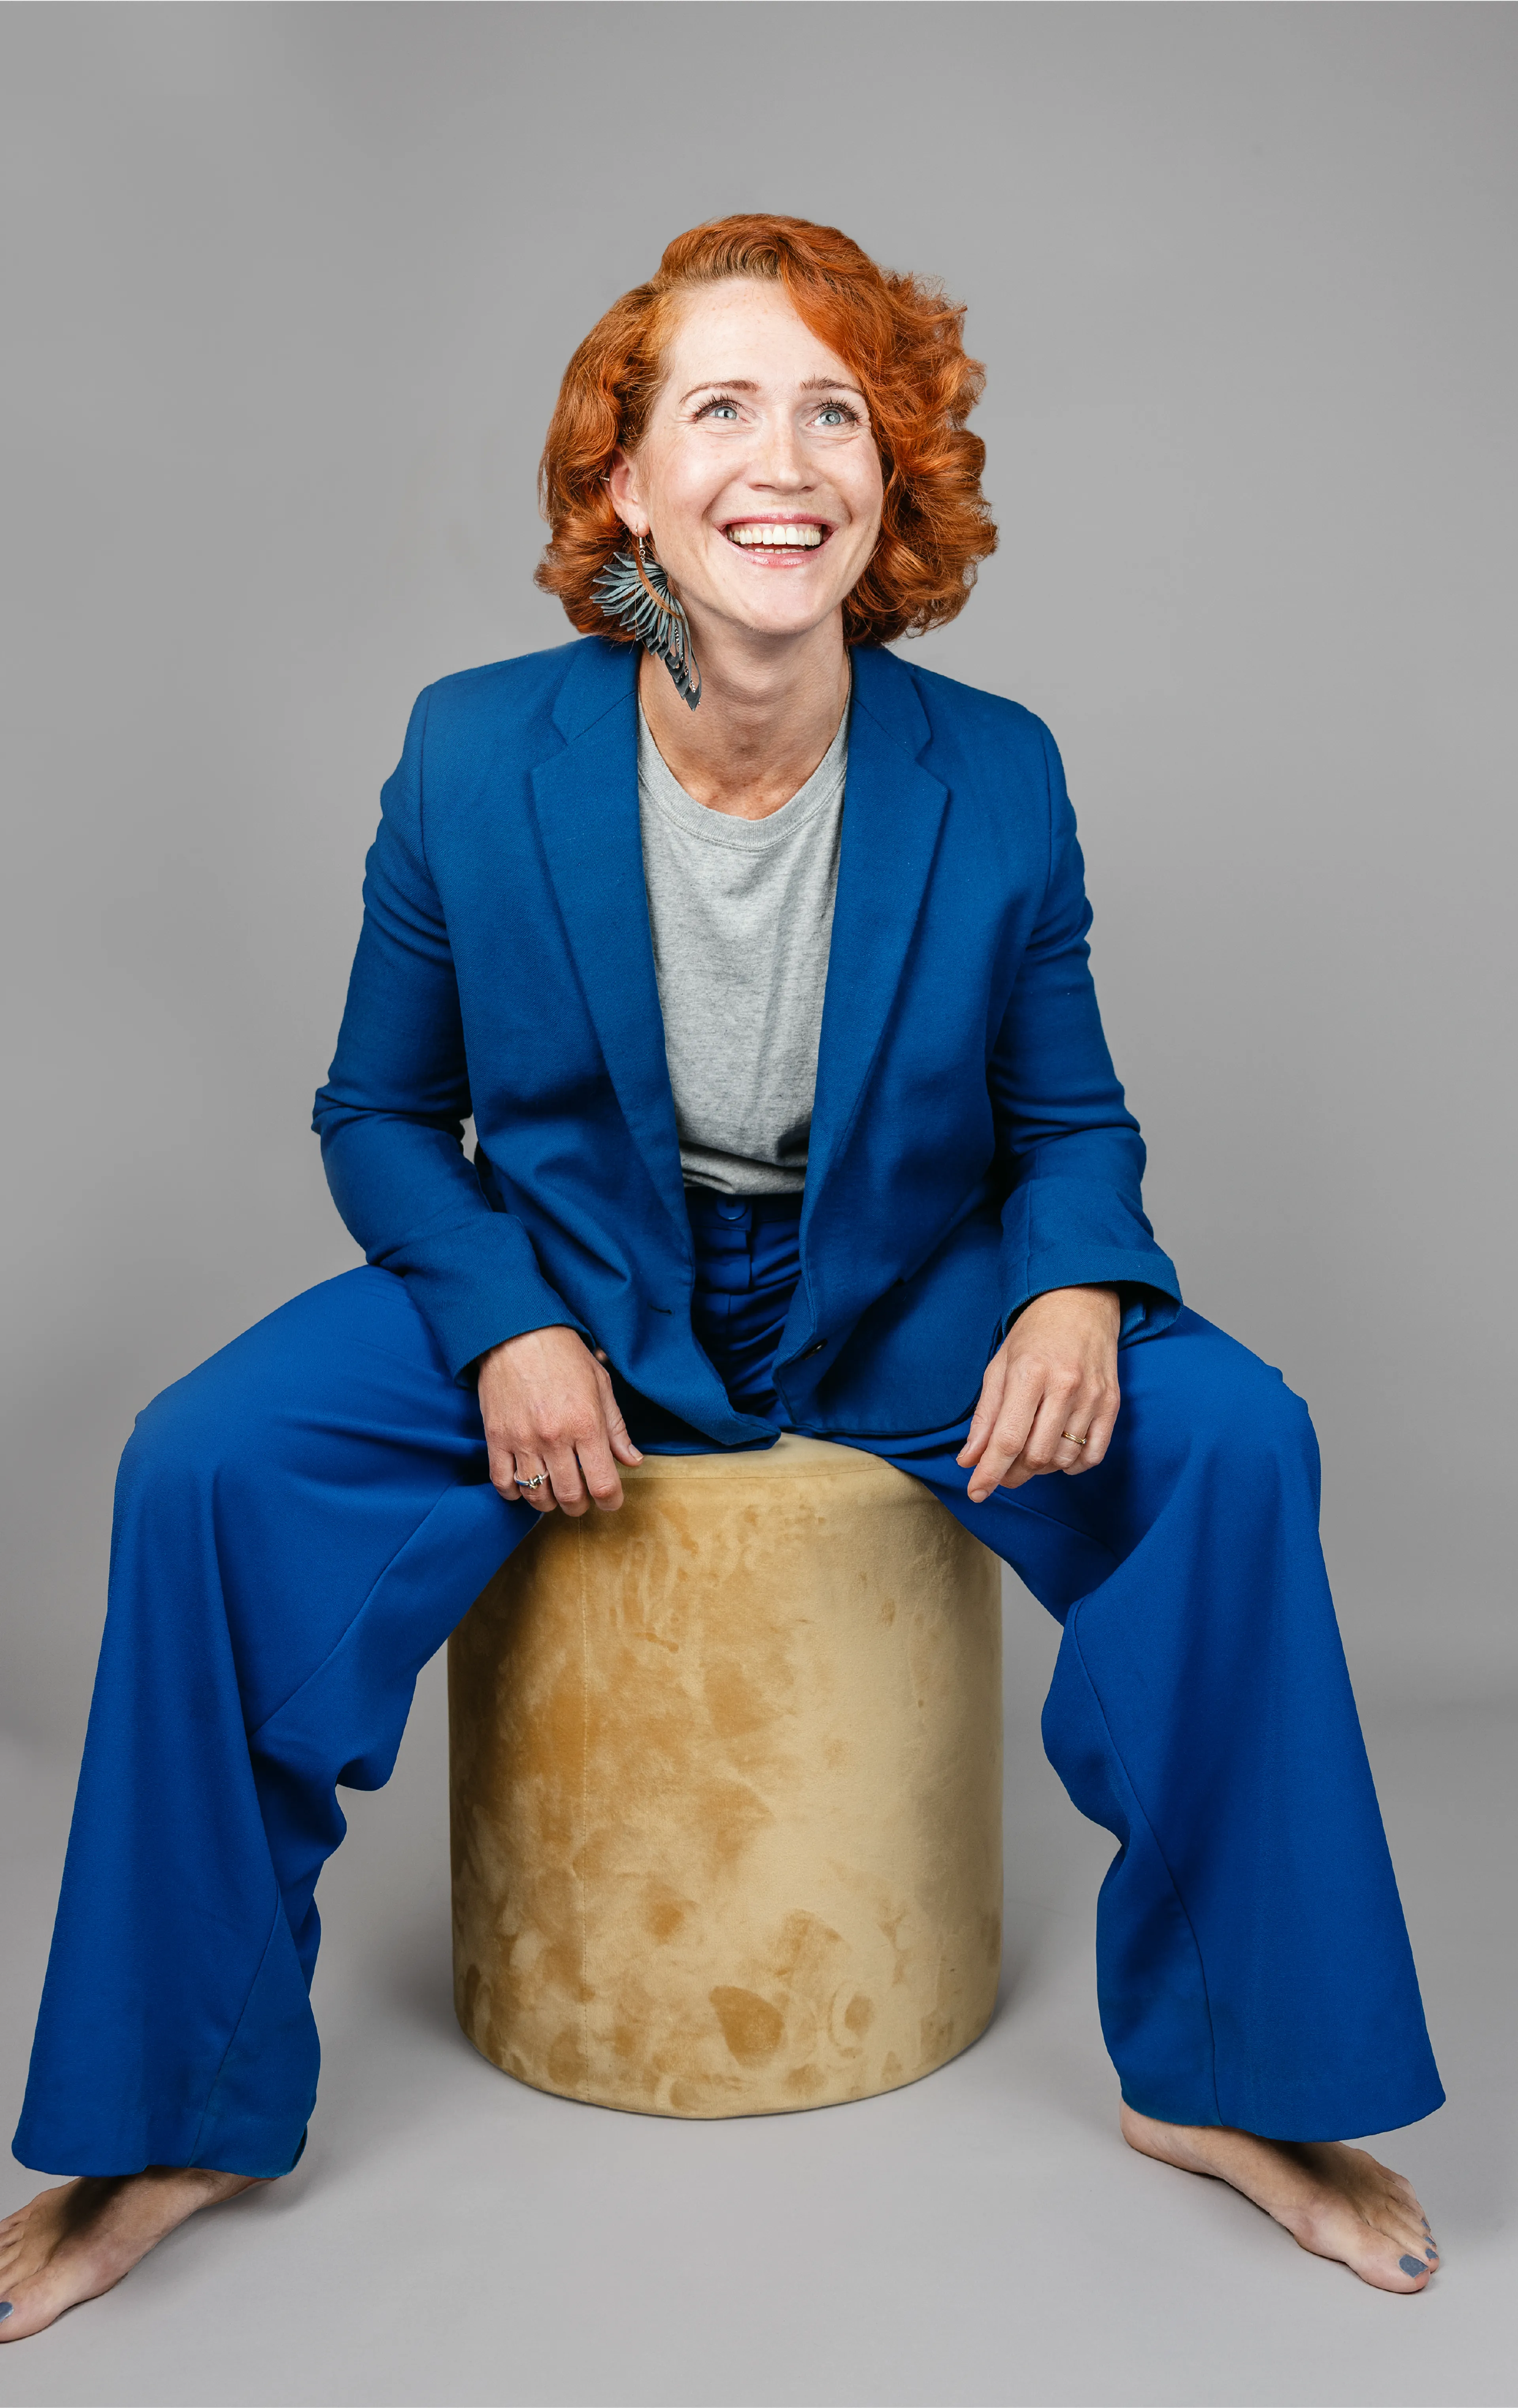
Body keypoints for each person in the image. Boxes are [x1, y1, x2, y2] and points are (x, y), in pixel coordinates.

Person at [0, 215, 1442, 2342]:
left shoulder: (999, 770)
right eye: (722, 407)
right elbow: (380, 1114)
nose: (789, 456)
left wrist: (1072, 1287)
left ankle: (1242, 2079)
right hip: (578, 1269)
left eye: (839, 408)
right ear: (628, 484)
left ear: (895, 480)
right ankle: (171, 2109)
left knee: (1231, 1436)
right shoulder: (475, 756)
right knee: (201, 1463)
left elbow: (1077, 1126)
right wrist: (504, 1319)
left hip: (891, 1286)